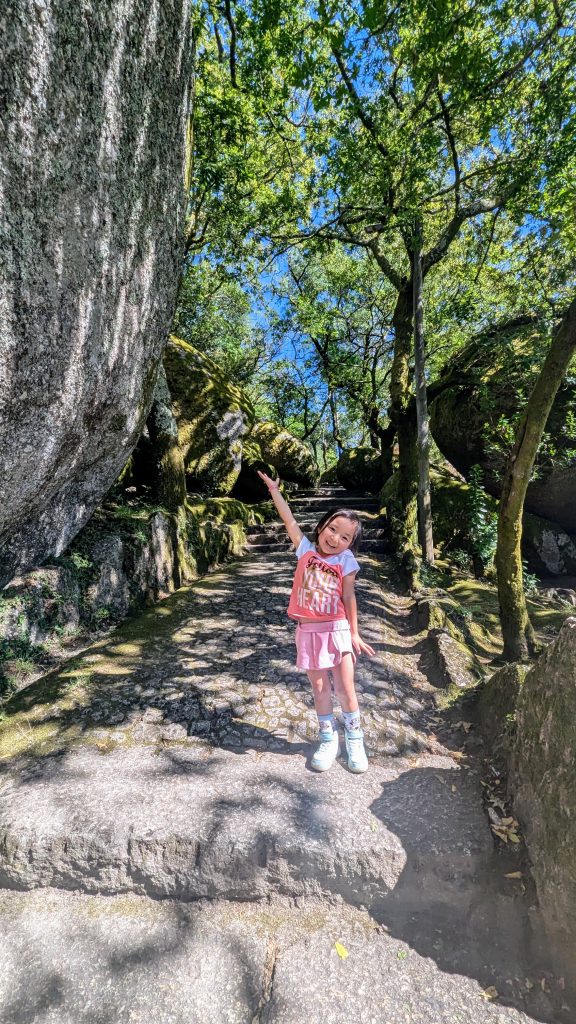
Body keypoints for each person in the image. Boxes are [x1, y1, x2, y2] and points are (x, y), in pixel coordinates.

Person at [257, 470, 375, 773]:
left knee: (346, 689)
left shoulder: (345, 561)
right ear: (322, 526)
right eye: (332, 529)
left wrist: (355, 633)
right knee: (320, 689)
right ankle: (327, 738)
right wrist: (274, 491)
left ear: (350, 544)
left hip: (337, 630)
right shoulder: (305, 551)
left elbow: (349, 597)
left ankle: (354, 738)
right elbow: (289, 521)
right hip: (307, 632)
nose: (335, 538)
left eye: (345, 536)